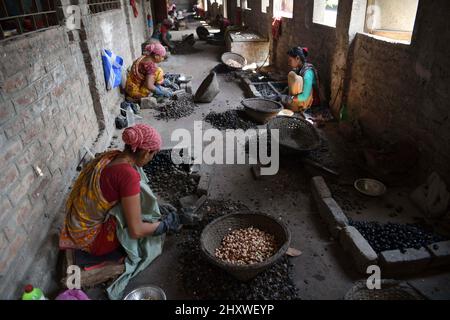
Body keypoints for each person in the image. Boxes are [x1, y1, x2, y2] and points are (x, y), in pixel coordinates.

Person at [59, 124, 180, 256]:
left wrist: (155, 207)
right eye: (153, 155)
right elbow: (136, 231)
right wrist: (168, 224)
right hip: (89, 238)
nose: (151, 159)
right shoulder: (128, 175)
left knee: (139, 213)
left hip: (76, 226)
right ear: (146, 153)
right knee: (143, 235)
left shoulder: (111, 156)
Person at [278, 46, 320, 112]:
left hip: (308, 100)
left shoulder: (307, 73)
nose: (288, 63)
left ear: (297, 58)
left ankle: (300, 106)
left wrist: (290, 98)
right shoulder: (299, 69)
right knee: (292, 74)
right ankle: (295, 103)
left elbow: (304, 96)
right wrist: (286, 89)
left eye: (290, 60)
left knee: (296, 78)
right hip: (301, 97)